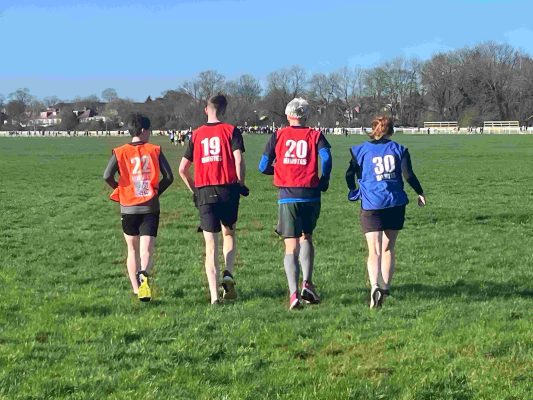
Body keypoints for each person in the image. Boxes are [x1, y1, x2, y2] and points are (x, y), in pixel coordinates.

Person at [259, 97, 332, 310]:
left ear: (288, 115)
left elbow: (263, 165)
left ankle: (293, 294)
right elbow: (326, 158)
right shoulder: (315, 135)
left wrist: (280, 169)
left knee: (290, 244)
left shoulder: (278, 135)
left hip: (287, 194)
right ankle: (307, 284)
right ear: (306, 116)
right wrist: (323, 179)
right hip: (310, 193)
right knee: (307, 236)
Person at [345, 116, 426, 308]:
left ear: (373, 129)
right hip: (395, 203)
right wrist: (420, 192)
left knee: (374, 251)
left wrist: (353, 189)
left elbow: (349, 174)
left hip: (371, 204)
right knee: (388, 248)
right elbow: (408, 175)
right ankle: (386, 288)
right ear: (391, 131)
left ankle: (374, 286)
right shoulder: (399, 150)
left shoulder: (361, 150)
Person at [178, 94, 248, 305]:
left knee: (210, 245)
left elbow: (182, 169)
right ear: (224, 111)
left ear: (205, 109)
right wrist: (241, 182)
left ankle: (214, 297)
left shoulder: (196, 134)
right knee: (229, 233)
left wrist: (195, 191)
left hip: (205, 191)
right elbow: (239, 160)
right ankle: (228, 272)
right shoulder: (231, 130)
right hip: (227, 189)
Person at [103, 113, 174, 302]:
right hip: (149, 206)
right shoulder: (155, 150)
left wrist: (120, 189)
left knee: (132, 250)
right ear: (143, 130)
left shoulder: (120, 152)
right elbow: (169, 177)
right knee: (147, 250)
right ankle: (144, 275)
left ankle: (136, 289)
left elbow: (106, 176)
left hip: (128, 207)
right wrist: (156, 192)